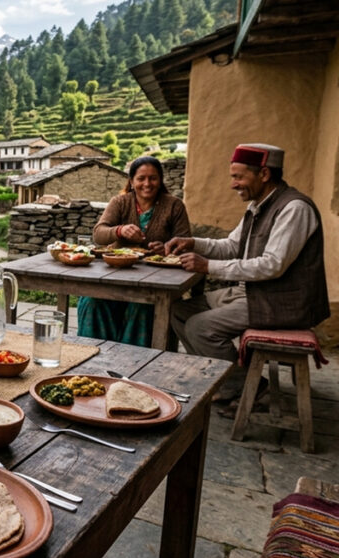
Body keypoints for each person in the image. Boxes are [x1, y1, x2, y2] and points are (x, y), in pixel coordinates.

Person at [166, 143, 329, 403]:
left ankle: (244, 385)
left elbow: (271, 265)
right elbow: (231, 246)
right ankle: (227, 377)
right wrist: (193, 242)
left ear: (264, 174)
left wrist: (207, 266)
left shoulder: (294, 209)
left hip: (282, 302)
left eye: (238, 176)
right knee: (177, 311)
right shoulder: (258, 206)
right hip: (252, 293)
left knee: (200, 327)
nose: (233, 184)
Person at [77, 156, 191, 346]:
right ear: (131, 181)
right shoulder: (120, 202)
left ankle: (135, 362)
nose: (147, 183)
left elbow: (184, 243)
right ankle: (93, 354)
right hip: (116, 277)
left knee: (143, 307)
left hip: (155, 282)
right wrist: (119, 230)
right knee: (91, 301)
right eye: (141, 178)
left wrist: (166, 248)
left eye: (153, 178)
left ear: (160, 180)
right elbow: (98, 234)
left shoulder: (174, 206)